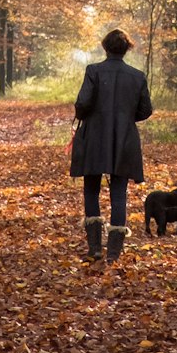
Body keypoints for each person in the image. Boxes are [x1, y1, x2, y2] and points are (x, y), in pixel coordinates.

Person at [70, 28, 153, 262]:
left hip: (94, 137)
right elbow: (145, 110)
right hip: (124, 138)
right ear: (127, 49)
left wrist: (89, 114)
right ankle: (114, 253)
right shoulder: (138, 76)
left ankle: (95, 248)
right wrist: (125, 118)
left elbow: (82, 104)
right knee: (119, 192)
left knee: (91, 189)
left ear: (105, 47)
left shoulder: (93, 71)